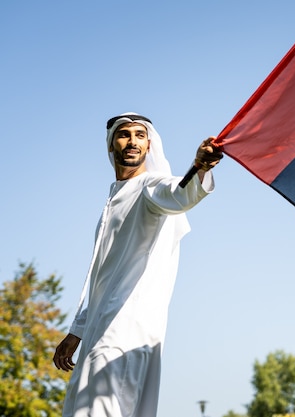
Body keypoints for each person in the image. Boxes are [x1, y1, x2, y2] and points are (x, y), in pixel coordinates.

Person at [53, 112, 223, 416]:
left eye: (140, 135)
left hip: (126, 332)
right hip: (99, 332)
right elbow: (100, 275)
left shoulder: (149, 187)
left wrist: (200, 166)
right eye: (124, 134)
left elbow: (178, 193)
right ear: (111, 145)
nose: (132, 141)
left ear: (149, 146)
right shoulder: (114, 198)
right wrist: (77, 331)